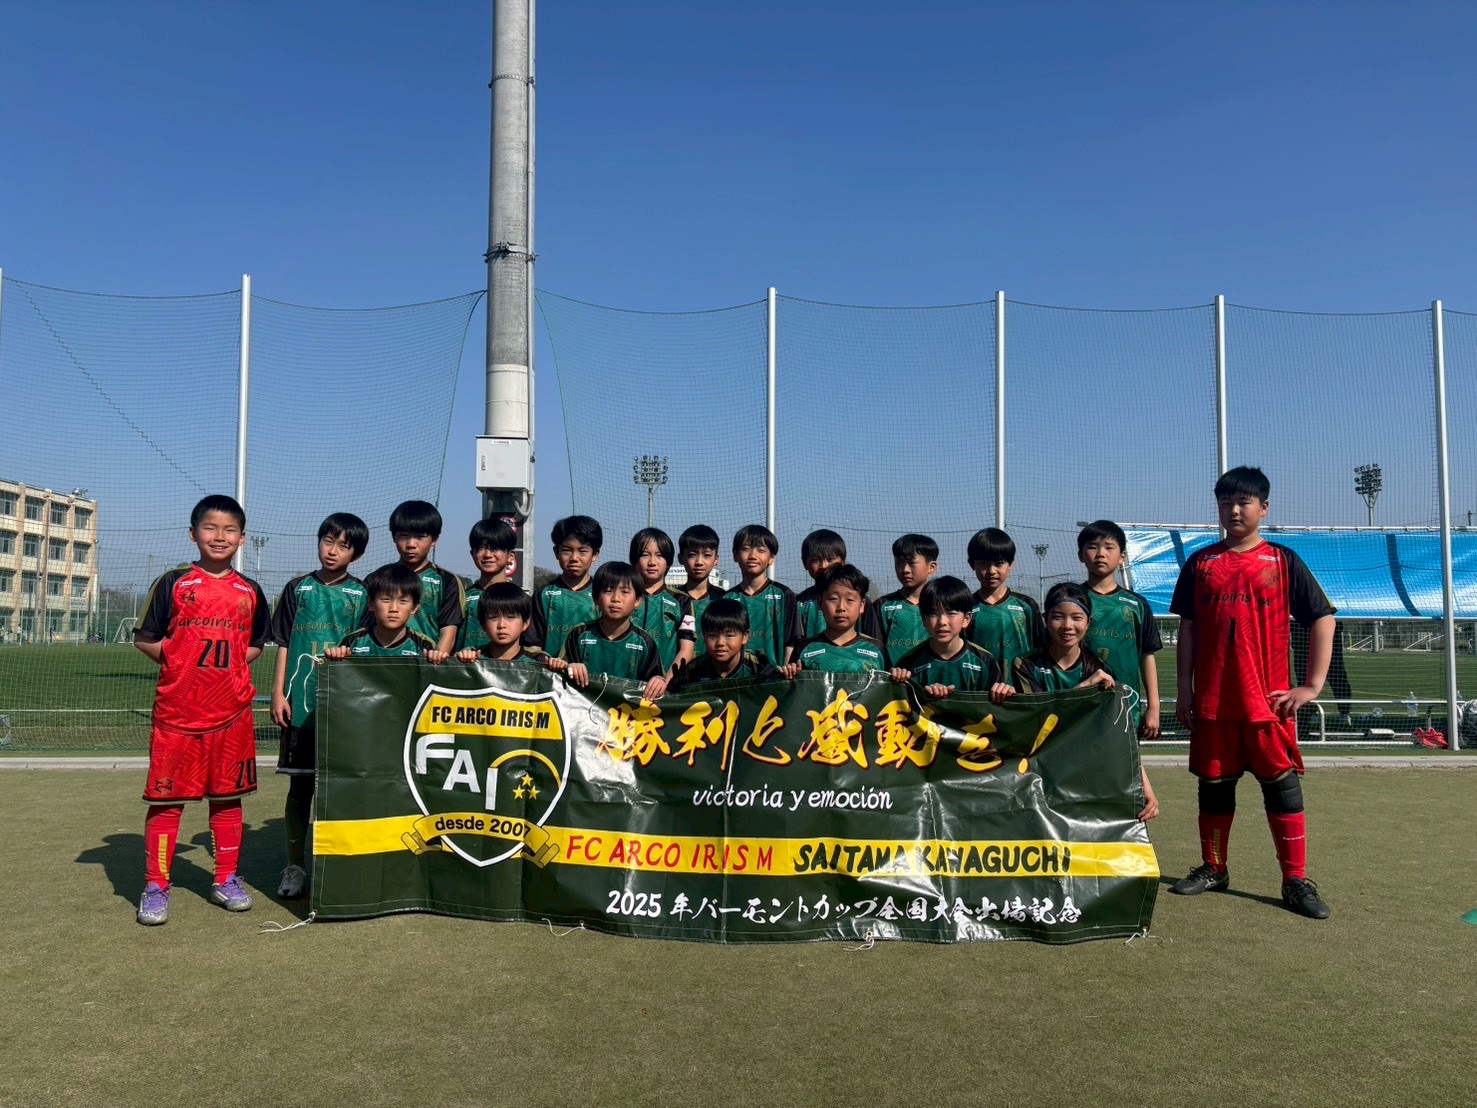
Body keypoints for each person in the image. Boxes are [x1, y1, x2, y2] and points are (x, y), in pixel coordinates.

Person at [1168, 466, 1336, 919]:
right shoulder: (1201, 563)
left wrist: (1312, 686)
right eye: (1226, 503)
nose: (1235, 510)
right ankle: (1214, 868)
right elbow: (1188, 630)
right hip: (1214, 703)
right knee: (1214, 788)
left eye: (1244, 502)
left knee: (1282, 789)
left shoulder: (1282, 560)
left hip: (1269, 704)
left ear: (1264, 508)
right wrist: (1184, 690)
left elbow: (1323, 618)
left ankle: (1295, 880)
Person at [133, 494, 271, 926]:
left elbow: (255, 645)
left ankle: (226, 878)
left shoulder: (250, 591)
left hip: (232, 713)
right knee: (167, 802)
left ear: (242, 538)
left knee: (227, 799)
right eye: (211, 527)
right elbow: (145, 638)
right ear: (193, 534)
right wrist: (182, 665)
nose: (220, 536)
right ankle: (156, 886)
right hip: (178, 713)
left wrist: (229, 671)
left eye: (230, 530)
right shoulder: (174, 582)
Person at [992, 582, 1158, 823]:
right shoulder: (1025, 665)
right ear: (1045, 620)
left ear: (1088, 623)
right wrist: (1083, 689)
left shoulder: (1100, 671)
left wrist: (1146, 788)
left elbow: (1117, 738)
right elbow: (1041, 721)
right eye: (1058, 617)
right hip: (1038, 775)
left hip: (1084, 776)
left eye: (1076, 618)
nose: (1067, 626)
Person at [268, 511, 369, 900]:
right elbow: (282, 643)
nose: (333, 550)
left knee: (339, 788)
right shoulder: (298, 588)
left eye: (344, 545)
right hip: (301, 701)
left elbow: (363, 649)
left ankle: (336, 865)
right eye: (328, 541)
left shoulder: (361, 593)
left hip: (341, 708)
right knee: (300, 786)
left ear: (356, 554)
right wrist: (278, 692)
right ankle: (294, 865)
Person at [1078, 519, 1163, 738]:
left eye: (1109, 547)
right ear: (1080, 555)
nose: (1100, 554)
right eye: (1092, 547)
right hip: (1080, 706)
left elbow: (1147, 655)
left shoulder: (1136, 604)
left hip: (1126, 706)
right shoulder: (1072, 599)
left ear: (1122, 557)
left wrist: (1154, 707)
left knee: (1125, 759)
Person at [552, 562, 667, 701]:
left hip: (627, 713)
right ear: (595, 598)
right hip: (582, 710)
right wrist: (569, 667)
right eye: (608, 591)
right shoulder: (579, 634)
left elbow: (657, 678)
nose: (615, 599)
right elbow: (560, 674)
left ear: (637, 600)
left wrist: (659, 681)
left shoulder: (645, 642)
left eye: (624, 592)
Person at [889, 575, 1000, 696]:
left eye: (951, 613)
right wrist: (896, 681)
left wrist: (1004, 692)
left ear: (966, 619)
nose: (942, 622)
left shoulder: (985, 661)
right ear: (924, 619)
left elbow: (996, 704)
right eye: (933, 613)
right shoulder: (908, 663)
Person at [387, 500, 464, 655]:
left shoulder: (447, 581)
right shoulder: (379, 578)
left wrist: (435, 663)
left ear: (434, 540)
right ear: (394, 537)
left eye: (420, 537)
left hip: (428, 663)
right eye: (404, 536)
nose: (411, 544)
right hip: (384, 663)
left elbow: (448, 632)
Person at [966, 526, 1044, 672]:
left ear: (1010, 565)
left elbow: (1041, 647)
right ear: (972, 564)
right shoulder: (966, 606)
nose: (991, 571)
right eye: (983, 563)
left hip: (1022, 683)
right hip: (981, 684)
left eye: (999, 563)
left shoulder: (1027, 605)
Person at [723, 524, 802, 667]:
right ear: (735, 554)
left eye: (761, 550)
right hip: (738, 677)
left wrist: (784, 674)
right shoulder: (727, 598)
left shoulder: (784, 595)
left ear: (772, 558)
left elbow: (791, 640)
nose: (753, 556)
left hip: (774, 676)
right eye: (746, 549)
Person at [326, 563, 443, 660]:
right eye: (386, 599)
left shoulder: (425, 647)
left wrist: (437, 660)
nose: (393, 608)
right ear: (371, 603)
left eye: (403, 601)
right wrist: (336, 657)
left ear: (414, 608)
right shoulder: (352, 642)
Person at [793, 564, 888, 674]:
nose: (841, 608)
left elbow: (888, 681)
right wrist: (790, 673)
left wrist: (898, 675)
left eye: (850, 600)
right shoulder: (804, 649)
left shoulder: (876, 648)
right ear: (820, 603)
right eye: (833, 599)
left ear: (862, 606)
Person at [670, 598, 780, 688]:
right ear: (703, 636)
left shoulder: (759, 669)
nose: (720, 643)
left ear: (745, 637)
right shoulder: (692, 672)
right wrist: (676, 688)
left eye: (729, 635)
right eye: (712, 635)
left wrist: (784, 676)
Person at [629, 526, 696, 674]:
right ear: (634, 560)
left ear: (668, 562)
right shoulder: (624, 596)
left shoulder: (682, 601)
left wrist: (667, 682)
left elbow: (686, 650)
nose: (652, 562)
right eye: (645, 555)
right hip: (626, 683)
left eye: (659, 555)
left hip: (664, 683)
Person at [532, 515, 602, 657]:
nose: (574, 558)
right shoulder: (544, 595)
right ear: (556, 552)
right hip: (550, 670)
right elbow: (533, 644)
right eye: (567, 550)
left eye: (582, 551)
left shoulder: (603, 593)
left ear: (595, 554)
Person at [458, 517, 519, 653]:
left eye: (495, 548)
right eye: (481, 548)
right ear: (472, 554)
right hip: (465, 666)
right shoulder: (461, 598)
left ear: (511, 556)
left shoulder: (520, 599)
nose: (487, 555)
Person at [876, 533, 939, 663]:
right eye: (899, 563)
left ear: (931, 567)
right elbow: (874, 648)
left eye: (912, 563)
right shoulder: (882, 605)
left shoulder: (943, 604)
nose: (904, 569)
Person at [455, 582, 549, 667]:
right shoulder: (472, 656)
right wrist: (461, 660)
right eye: (493, 618)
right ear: (483, 624)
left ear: (525, 623)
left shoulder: (539, 660)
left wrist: (555, 666)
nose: (501, 625)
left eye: (510, 617)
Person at [674, 524, 723, 657]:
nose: (699, 562)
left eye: (707, 555)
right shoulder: (671, 599)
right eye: (692, 555)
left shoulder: (724, 599)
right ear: (681, 558)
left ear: (716, 560)